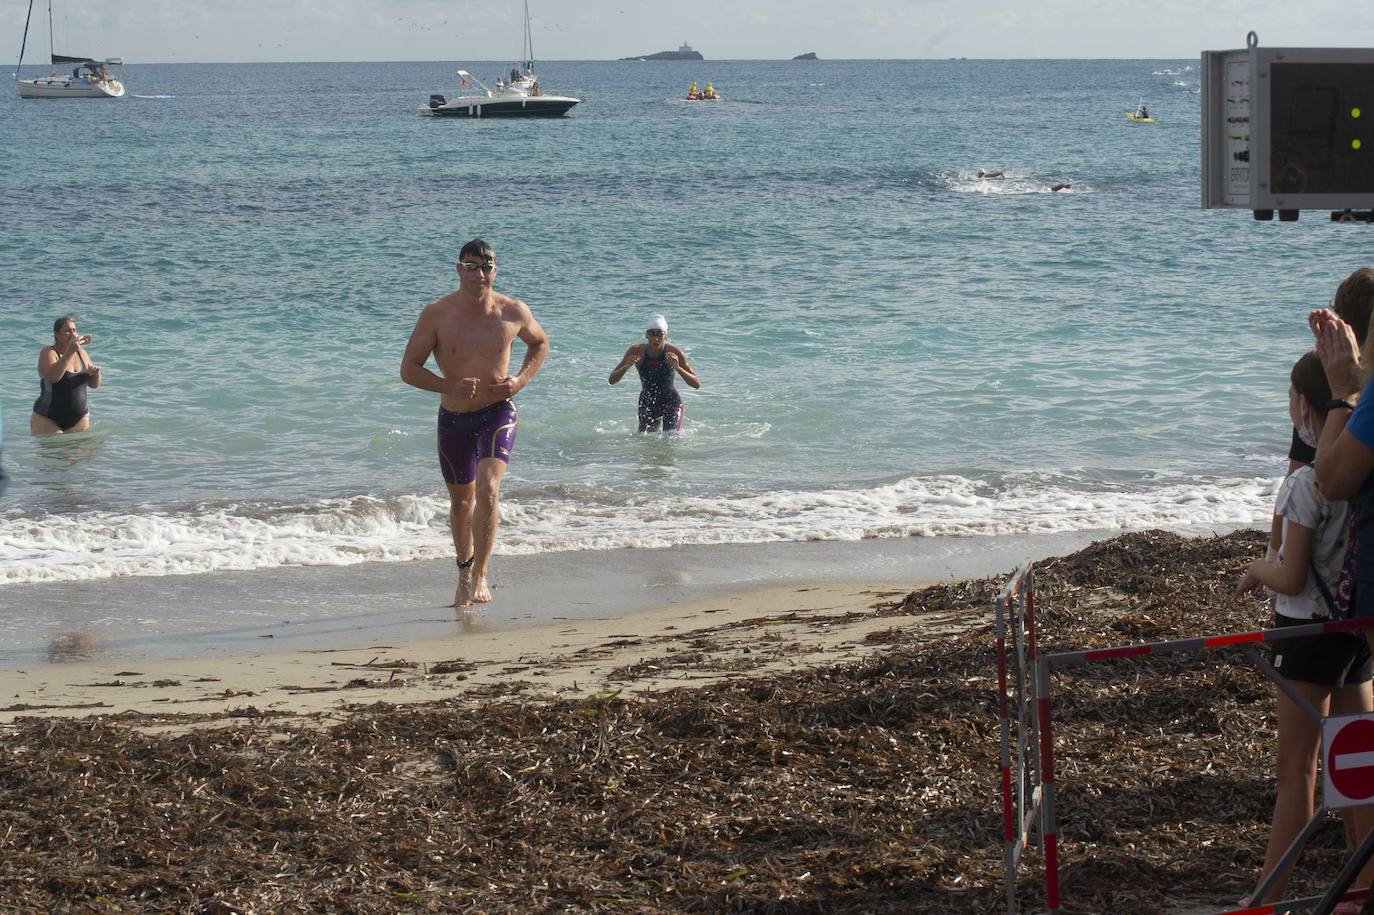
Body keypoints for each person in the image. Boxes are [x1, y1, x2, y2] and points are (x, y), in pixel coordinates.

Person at [1237, 351, 1374, 906]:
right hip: (1355, 624)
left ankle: (1268, 896)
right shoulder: (1359, 472)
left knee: (1296, 771)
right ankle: (1363, 885)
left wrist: (1254, 571)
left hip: (1304, 634)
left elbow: (1291, 577)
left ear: (1300, 406)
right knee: (1357, 761)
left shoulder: (1305, 484)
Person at [400, 239, 549, 608]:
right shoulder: (437, 314)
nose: (479, 274)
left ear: (495, 271)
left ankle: (481, 574)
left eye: (486, 267)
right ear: (458, 270)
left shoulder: (512, 311)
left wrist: (518, 381)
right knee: (462, 502)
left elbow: (540, 344)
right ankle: (464, 570)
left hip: (498, 412)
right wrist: (447, 385)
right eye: (470, 267)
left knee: (488, 487)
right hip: (453, 418)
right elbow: (408, 370)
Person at [608, 313, 700, 434]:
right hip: (647, 402)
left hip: (671, 403)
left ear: (665, 336)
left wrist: (678, 368)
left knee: (670, 439)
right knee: (645, 442)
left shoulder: (674, 352)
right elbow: (612, 380)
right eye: (652, 334)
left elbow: (696, 384)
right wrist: (626, 366)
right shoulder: (636, 350)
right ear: (646, 335)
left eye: (659, 334)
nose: (655, 338)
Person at [31, 315, 102, 436]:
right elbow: (53, 377)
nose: (73, 334)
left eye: (74, 330)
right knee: (54, 454)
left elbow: (94, 385)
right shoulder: (48, 352)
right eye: (67, 331)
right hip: (48, 418)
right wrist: (70, 351)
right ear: (56, 334)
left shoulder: (81, 353)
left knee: (83, 454)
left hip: (80, 418)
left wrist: (96, 374)